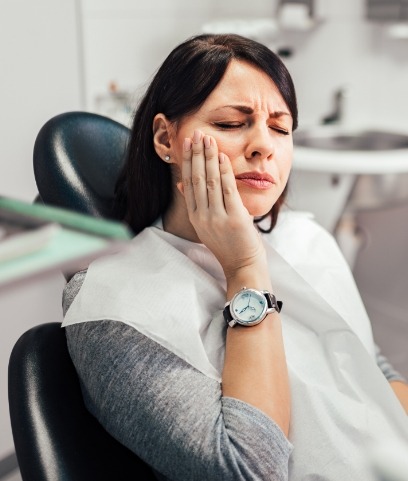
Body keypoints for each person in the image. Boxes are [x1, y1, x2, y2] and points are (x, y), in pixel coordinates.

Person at [62, 33, 408, 480]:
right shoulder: (112, 305)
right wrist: (244, 269)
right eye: (230, 123)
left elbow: (365, 363)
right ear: (166, 138)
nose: (264, 145)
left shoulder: (305, 238)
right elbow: (248, 469)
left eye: (281, 128)